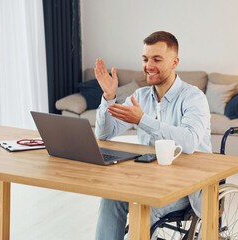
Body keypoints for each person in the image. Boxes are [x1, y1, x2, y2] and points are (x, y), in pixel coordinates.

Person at [94, 31, 212, 240]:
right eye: (145, 59)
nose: (149, 65)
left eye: (157, 59)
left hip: (187, 187)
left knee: (143, 202)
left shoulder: (193, 97)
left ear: (175, 62)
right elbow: (104, 134)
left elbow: (189, 141)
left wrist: (142, 120)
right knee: (111, 198)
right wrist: (109, 97)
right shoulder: (140, 96)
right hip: (148, 181)